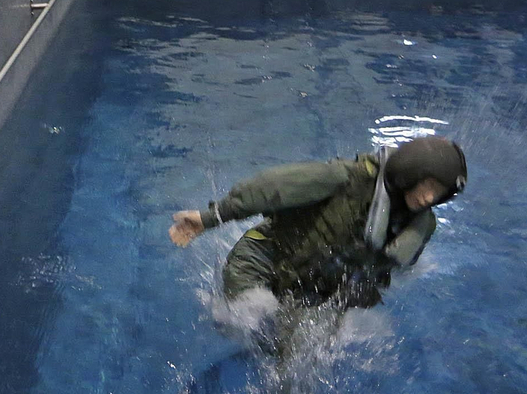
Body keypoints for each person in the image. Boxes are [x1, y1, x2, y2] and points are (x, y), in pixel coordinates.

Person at [168, 135, 467, 318]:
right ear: (411, 171)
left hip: (316, 289)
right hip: (262, 262)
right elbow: (270, 188)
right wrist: (209, 219)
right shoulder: (344, 179)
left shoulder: (420, 226)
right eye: (427, 185)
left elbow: (391, 270)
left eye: (438, 193)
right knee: (245, 320)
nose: (429, 197)